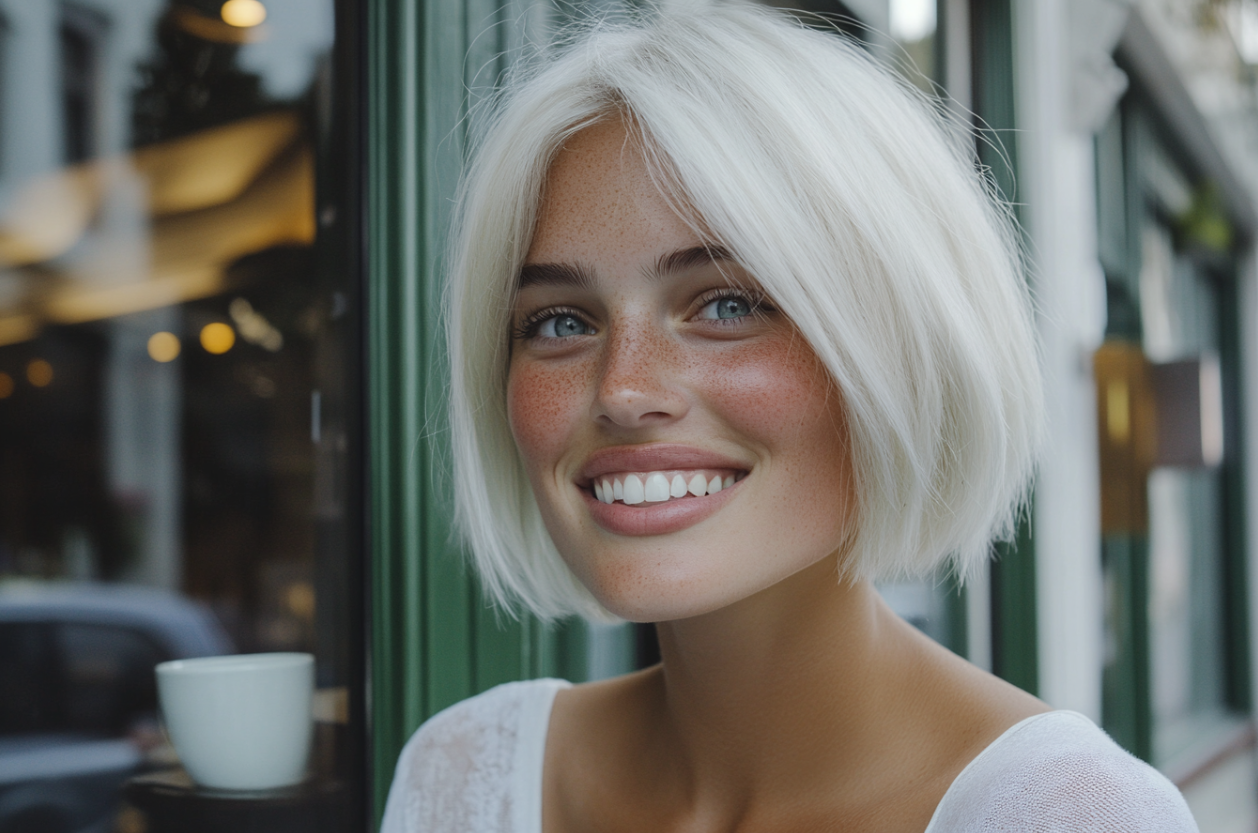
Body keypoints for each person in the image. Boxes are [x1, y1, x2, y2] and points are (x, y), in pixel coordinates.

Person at [381, 3, 1198, 830]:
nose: (622, 389)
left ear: (901, 346)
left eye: (727, 304)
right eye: (561, 322)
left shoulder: (1074, 815)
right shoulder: (463, 776)